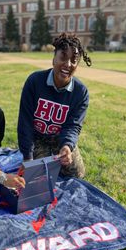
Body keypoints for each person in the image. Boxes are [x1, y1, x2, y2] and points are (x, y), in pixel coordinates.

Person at [17, 32, 92, 178]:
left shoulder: (80, 92)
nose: (68, 64)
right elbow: (25, 121)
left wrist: (67, 146)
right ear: (53, 59)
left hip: (59, 138)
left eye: (73, 60)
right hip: (37, 137)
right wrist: (27, 156)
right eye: (63, 57)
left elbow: (73, 126)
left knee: (77, 174)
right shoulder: (34, 81)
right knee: (39, 176)